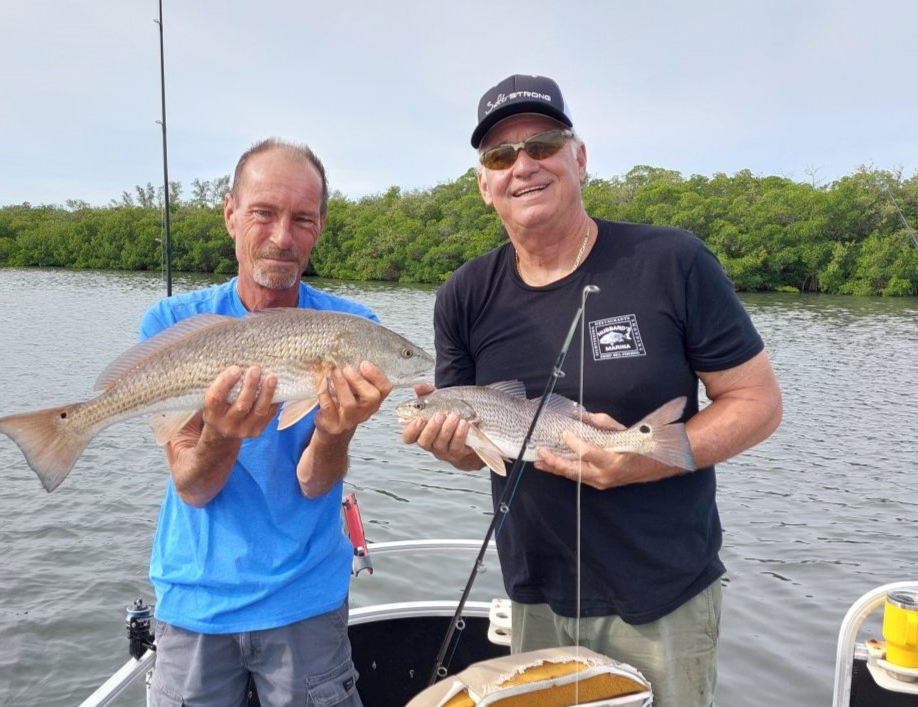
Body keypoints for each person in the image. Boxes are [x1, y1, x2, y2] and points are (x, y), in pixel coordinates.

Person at [401, 74, 783, 706]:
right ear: (483, 184)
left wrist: (648, 460)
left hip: (664, 595)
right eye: (500, 155)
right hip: (536, 591)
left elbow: (759, 402)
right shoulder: (463, 296)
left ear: (578, 158)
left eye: (542, 144)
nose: (522, 165)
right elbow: (477, 448)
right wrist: (451, 445)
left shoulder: (673, 261)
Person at [140, 138, 390, 707]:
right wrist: (223, 433)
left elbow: (312, 482)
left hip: (306, 599)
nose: (282, 236)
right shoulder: (173, 321)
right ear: (230, 213)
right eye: (263, 213)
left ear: (320, 227)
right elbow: (194, 486)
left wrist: (335, 428)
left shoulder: (355, 328)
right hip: (195, 601)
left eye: (302, 219)